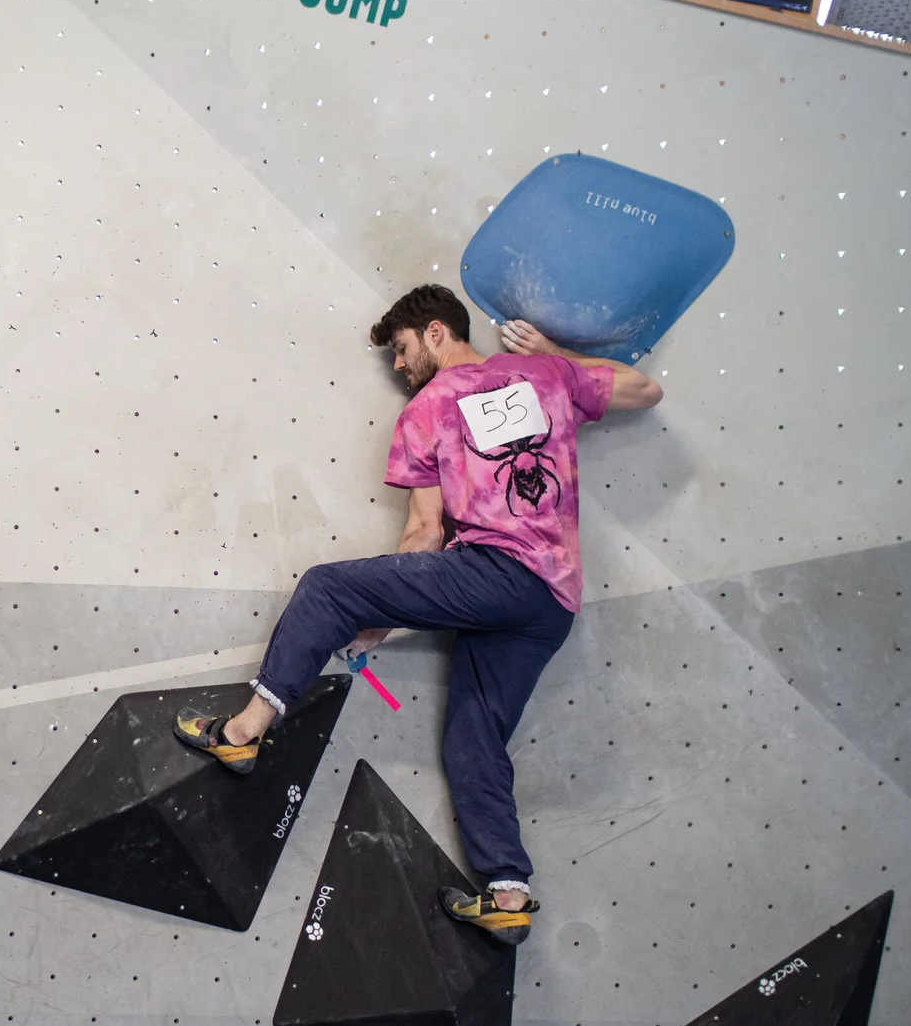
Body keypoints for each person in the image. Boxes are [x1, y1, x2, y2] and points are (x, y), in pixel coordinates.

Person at [173, 285, 664, 945]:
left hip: (494, 572)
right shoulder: (547, 375)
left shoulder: (428, 409)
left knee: (324, 589)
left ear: (437, 331)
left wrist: (379, 604)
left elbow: (426, 532)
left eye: (401, 350)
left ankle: (243, 730)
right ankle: (507, 893)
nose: (399, 368)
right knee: (473, 735)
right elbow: (644, 390)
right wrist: (553, 352)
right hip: (552, 599)